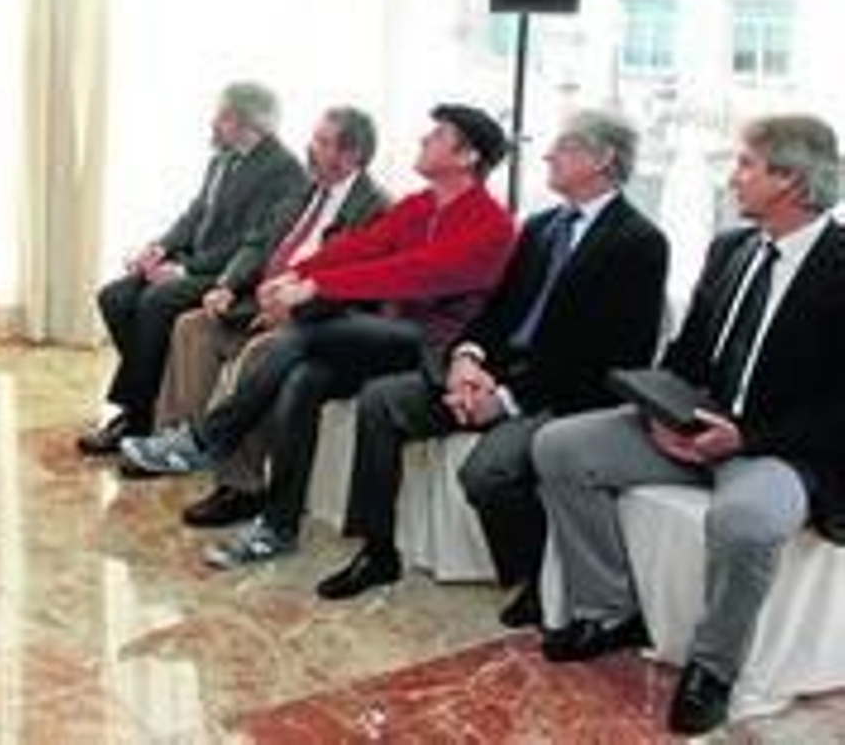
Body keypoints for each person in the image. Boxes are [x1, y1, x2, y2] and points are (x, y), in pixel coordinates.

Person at [533, 114, 845, 736]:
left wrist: (747, 438)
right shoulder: (731, 248)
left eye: (746, 164)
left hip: (779, 448)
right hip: (695, 425)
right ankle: (608, 610)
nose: (733, 177)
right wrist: (660, 411)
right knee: (559, 447)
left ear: (790, 179)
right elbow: (689, 352)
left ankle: (713, 668)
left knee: (746, 520)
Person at [121, 104, 516, 571]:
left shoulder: (492, 223)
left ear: (468, 156)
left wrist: (316, 287)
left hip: (434, 349)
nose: (424, 139)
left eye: (439, 135)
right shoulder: (420, 205)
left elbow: (413, 273)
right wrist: (297, 274)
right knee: (302, 381)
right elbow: (362, 247)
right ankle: (277, 526)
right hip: (385, 338)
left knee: (309, 328)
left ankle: (208, 439)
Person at [316, 110, 667, 624]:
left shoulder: (639, 242)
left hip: (562, 395)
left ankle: (536, 578)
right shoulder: (542, 227)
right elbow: (498, 311)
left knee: (488, 472)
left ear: (603, 160)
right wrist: (468, 358)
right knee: (382, 401)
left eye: (564, 147)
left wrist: (505, 399)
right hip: (495, 375)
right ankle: (378, 550)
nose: (548, 155)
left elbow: (611, 356)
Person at [140, 106, 389, 530]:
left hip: (314, 321)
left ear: (351, 156)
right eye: (315, 138)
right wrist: (229, 283)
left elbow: (355, 287)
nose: (311, 148)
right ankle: (186, 445)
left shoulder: (376, 208)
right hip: (262, 302)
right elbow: (259, 242)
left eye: (323, 142)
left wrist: (294, 309)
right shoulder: (306, 188)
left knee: (259, 354)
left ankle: (243, 487)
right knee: (193, 327)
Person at [77, 82, 308, 456]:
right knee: (115, 296)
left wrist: (183, 272)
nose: (213, 123)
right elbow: (194, 214)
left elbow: (254, 244)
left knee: (156, 300)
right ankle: (150, 401)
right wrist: (160, 248)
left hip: (231, 276)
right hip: (194, 262)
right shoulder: (222, 158)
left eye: (223, 116)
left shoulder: (284, 171)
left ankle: (136, 417)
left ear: (250, 123)